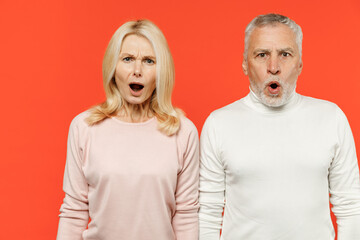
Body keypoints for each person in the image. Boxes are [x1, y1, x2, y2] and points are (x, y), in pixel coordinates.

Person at [199, 13, 360, 240]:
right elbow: (208, 213)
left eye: (285, 54)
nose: (273, 67)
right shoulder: (218, 124)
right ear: (245, 63)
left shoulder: (332, 118)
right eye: (262, 54)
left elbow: (351, 205)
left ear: (300, 63)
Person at [56, 19, 199, 240]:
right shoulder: (84, 127)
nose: (137, 70)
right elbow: (74, 211)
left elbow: (186, 215)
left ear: (162, 70)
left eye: (149, 61)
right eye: (128, 59)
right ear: (113, 67)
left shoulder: (183, 132)